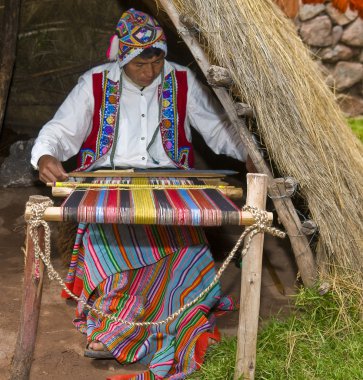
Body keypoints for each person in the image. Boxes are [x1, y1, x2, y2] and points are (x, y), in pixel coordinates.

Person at [31, 8, 248, 379]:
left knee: (182, 235)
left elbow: (218, 130)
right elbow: (59, 130)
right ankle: (117, 325)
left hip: (169, 181)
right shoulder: (95, 83)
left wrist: (254, 154)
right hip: (108, 183)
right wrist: (45, 155)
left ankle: (171, 314)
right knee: (116, 234)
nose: (148, 72)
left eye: (156, 61)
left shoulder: (182, 80)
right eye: (138, 64)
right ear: (122, 58)